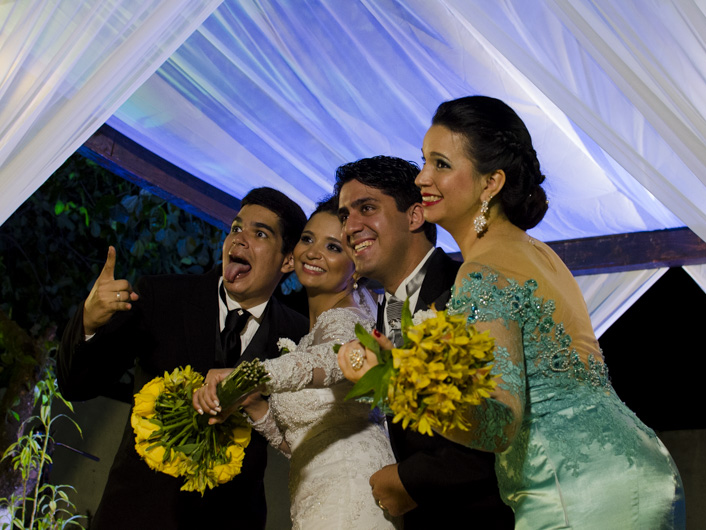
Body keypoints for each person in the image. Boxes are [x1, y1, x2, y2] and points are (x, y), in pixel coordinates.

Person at [339, 97, 686, 528]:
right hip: (635, 464)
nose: (422, 177)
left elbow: (498, 425)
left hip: (574, 490)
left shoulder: (483, 272)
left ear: (491, 183)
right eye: (424, 161)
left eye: (441, 164)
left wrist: (394, 377)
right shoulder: (538, 253)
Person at [56, 187, 309, 530]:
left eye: (260, 233)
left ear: (287, 260)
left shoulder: (300, 337)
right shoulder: (162, 297)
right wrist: (88, 321)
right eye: (236, 228)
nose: (240, 240)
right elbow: (76, 384)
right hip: (136, 516)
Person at [194, 196, 398, 528]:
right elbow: (302, 444)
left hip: (350, 496)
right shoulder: (312, 332)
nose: (313, 252)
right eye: (307, 238)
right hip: (315, 496)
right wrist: (257, 407)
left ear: (356, 265)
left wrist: (248, 375)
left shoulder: (347, 322)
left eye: (333, 247)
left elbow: (333, 360)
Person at [335, 156, 514, 528]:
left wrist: (410, 480)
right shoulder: (379, 318)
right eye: (344, 216)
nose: (350, 227)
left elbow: (504, 423)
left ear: (415, 217)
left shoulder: (470, 287)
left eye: (366, 208)